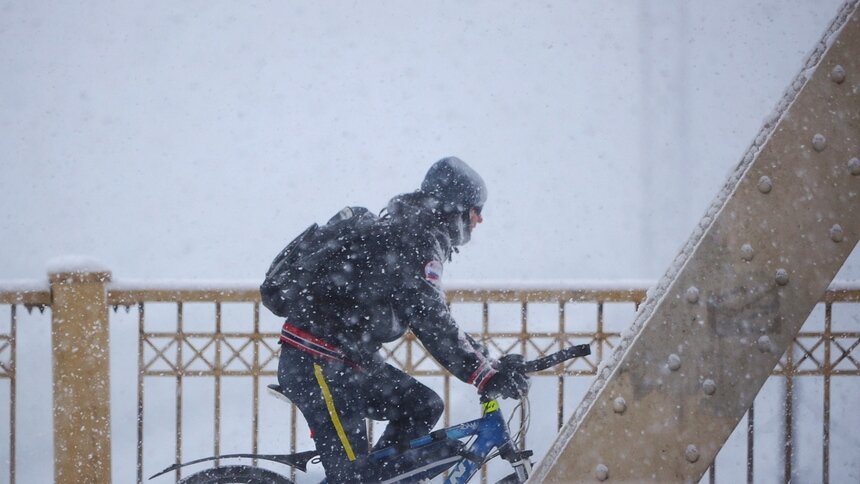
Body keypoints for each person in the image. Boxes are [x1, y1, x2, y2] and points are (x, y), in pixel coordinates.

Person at [274, 156, 529, 483]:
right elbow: (431, 320)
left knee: (421, 406)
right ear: (455, 206)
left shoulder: (413, 232)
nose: (480, 218)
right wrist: (483, 374)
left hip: (345, 362)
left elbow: (437, 318)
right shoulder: (414, 237)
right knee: (353, 479)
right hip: (318, 363)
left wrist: (491, 364)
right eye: (475, 208)